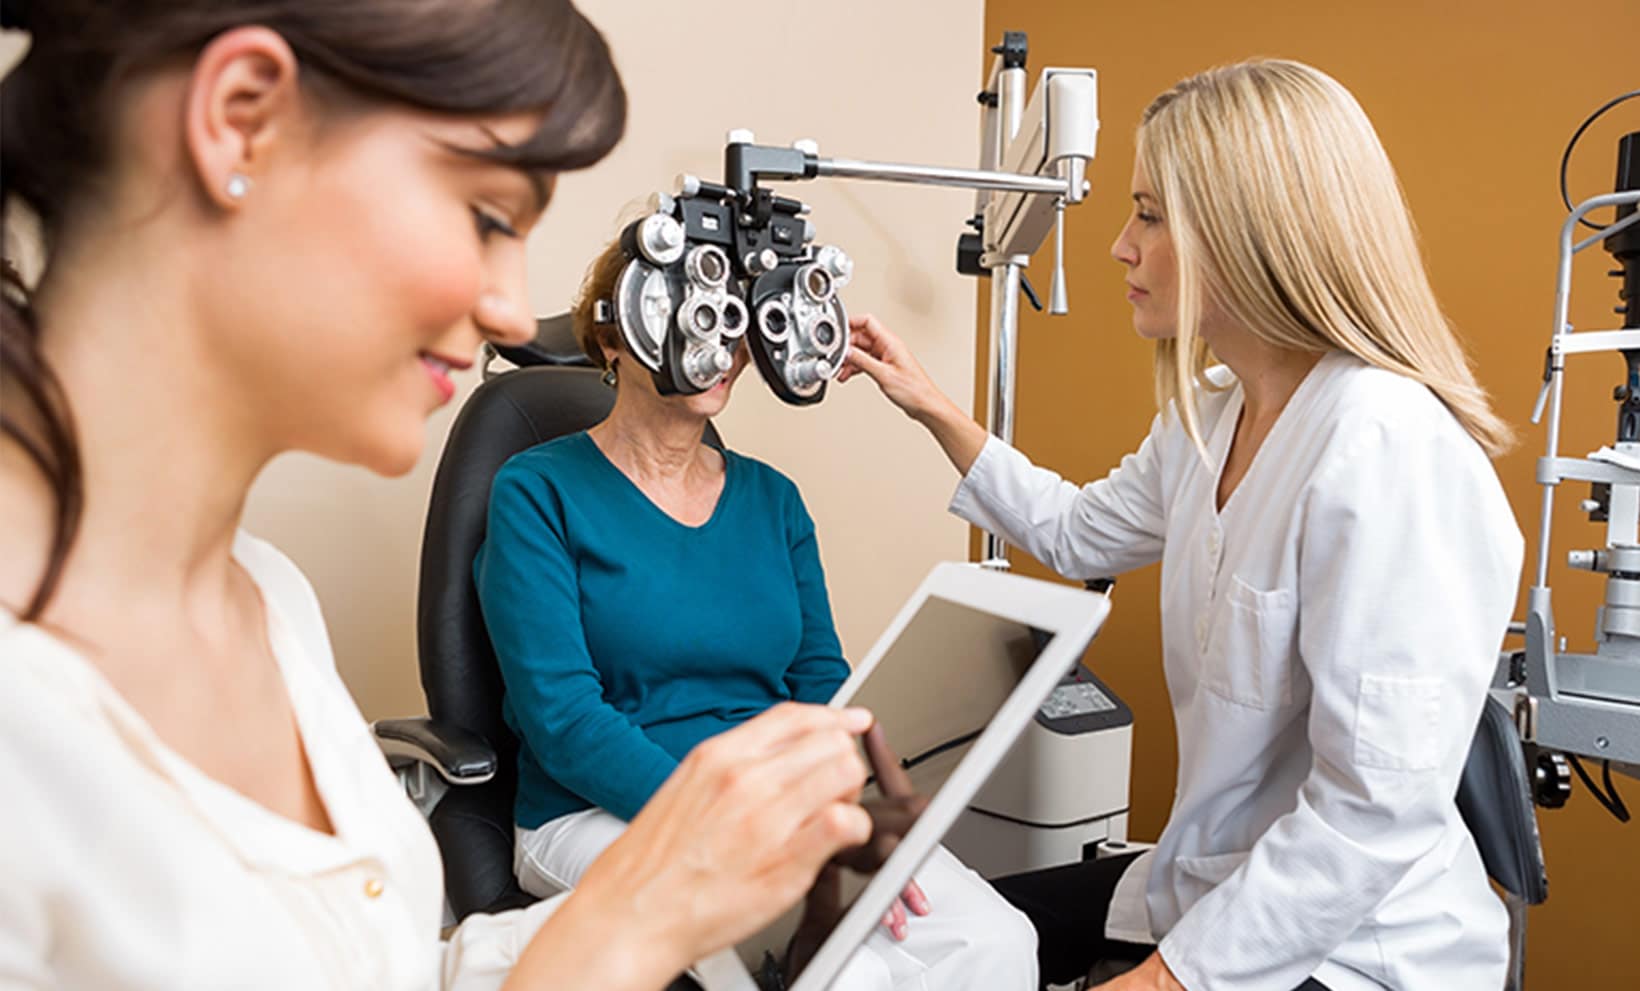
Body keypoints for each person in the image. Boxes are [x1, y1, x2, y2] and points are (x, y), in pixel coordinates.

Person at [0, 3, 885, 989]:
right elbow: (563, 715)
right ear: (242, 119)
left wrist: (645, 908)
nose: (512, 309)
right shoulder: (27, 719)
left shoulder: (268, 602)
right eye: (487, 215)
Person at [839, 59, 1522, 991]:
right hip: (1213, 881)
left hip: (1358, 940)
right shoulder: (1210, 413)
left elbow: (1371, 818)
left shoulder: (1387, 448)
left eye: (1151, 215)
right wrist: (930, 405)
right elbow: (1078, 532)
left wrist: (1162, 980)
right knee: (921, 946)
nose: (1121, 245)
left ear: (1247, 232)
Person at [472, 232, 1038, 988]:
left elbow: (823, 686)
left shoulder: (773, 500)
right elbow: (565, 719)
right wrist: (742, 826)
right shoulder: (537, 491)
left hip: (778, 806)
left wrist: (842, 816)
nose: (719, 342)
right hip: (597, 811)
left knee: (996, 940)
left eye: (731, 319)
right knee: (848, 974)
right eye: (686, 313)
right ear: (613, 337)